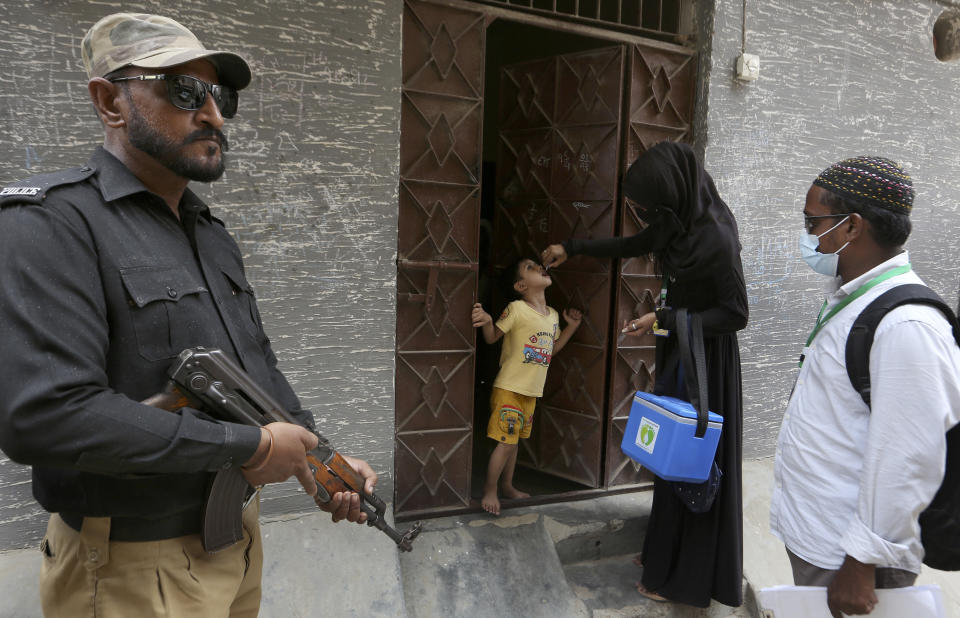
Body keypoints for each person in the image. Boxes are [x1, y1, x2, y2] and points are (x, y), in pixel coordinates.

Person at [0, 13, 376, 617]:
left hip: (235, 544)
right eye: (184, 90)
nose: (213, 115)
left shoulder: (210, 234)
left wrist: (316, 456)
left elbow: (255, 364)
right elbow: (43, 417)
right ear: (111, 102)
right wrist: (248, 447)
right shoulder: (52, 224)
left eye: (219, 94)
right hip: (129, 569)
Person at [541, 141, 747, 608]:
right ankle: (661, 550)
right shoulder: (676, 224)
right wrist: (571, 248)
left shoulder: (716, 237)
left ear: (670, 197)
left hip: (706, 363)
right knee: (668, 458)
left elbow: (736, 314)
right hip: (682, 347)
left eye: (647, 206)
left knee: (690, 463)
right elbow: (634, 245)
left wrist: (670, 320)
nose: (642, 214)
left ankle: (684, 578)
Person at [769, 156, 960, 617]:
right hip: (823, 538)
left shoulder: (907, 324)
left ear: (852, 227)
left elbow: (907, 457)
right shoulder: (856, 299)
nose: (808, 235)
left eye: (813, 223)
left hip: (851, 559)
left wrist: (861, 561)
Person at [471, 258, 582, 515]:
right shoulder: (516, 309)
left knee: (514, 441)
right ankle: (490, 490)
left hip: (531, 392)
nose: (539, 267)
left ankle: (508, 486)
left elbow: (551, 350)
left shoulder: (553, 315)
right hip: (509, 387)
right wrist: (487, 319)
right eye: (530, 268)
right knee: (507, 442)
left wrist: (572, 327)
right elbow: (491, 338)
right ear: (521, 285)